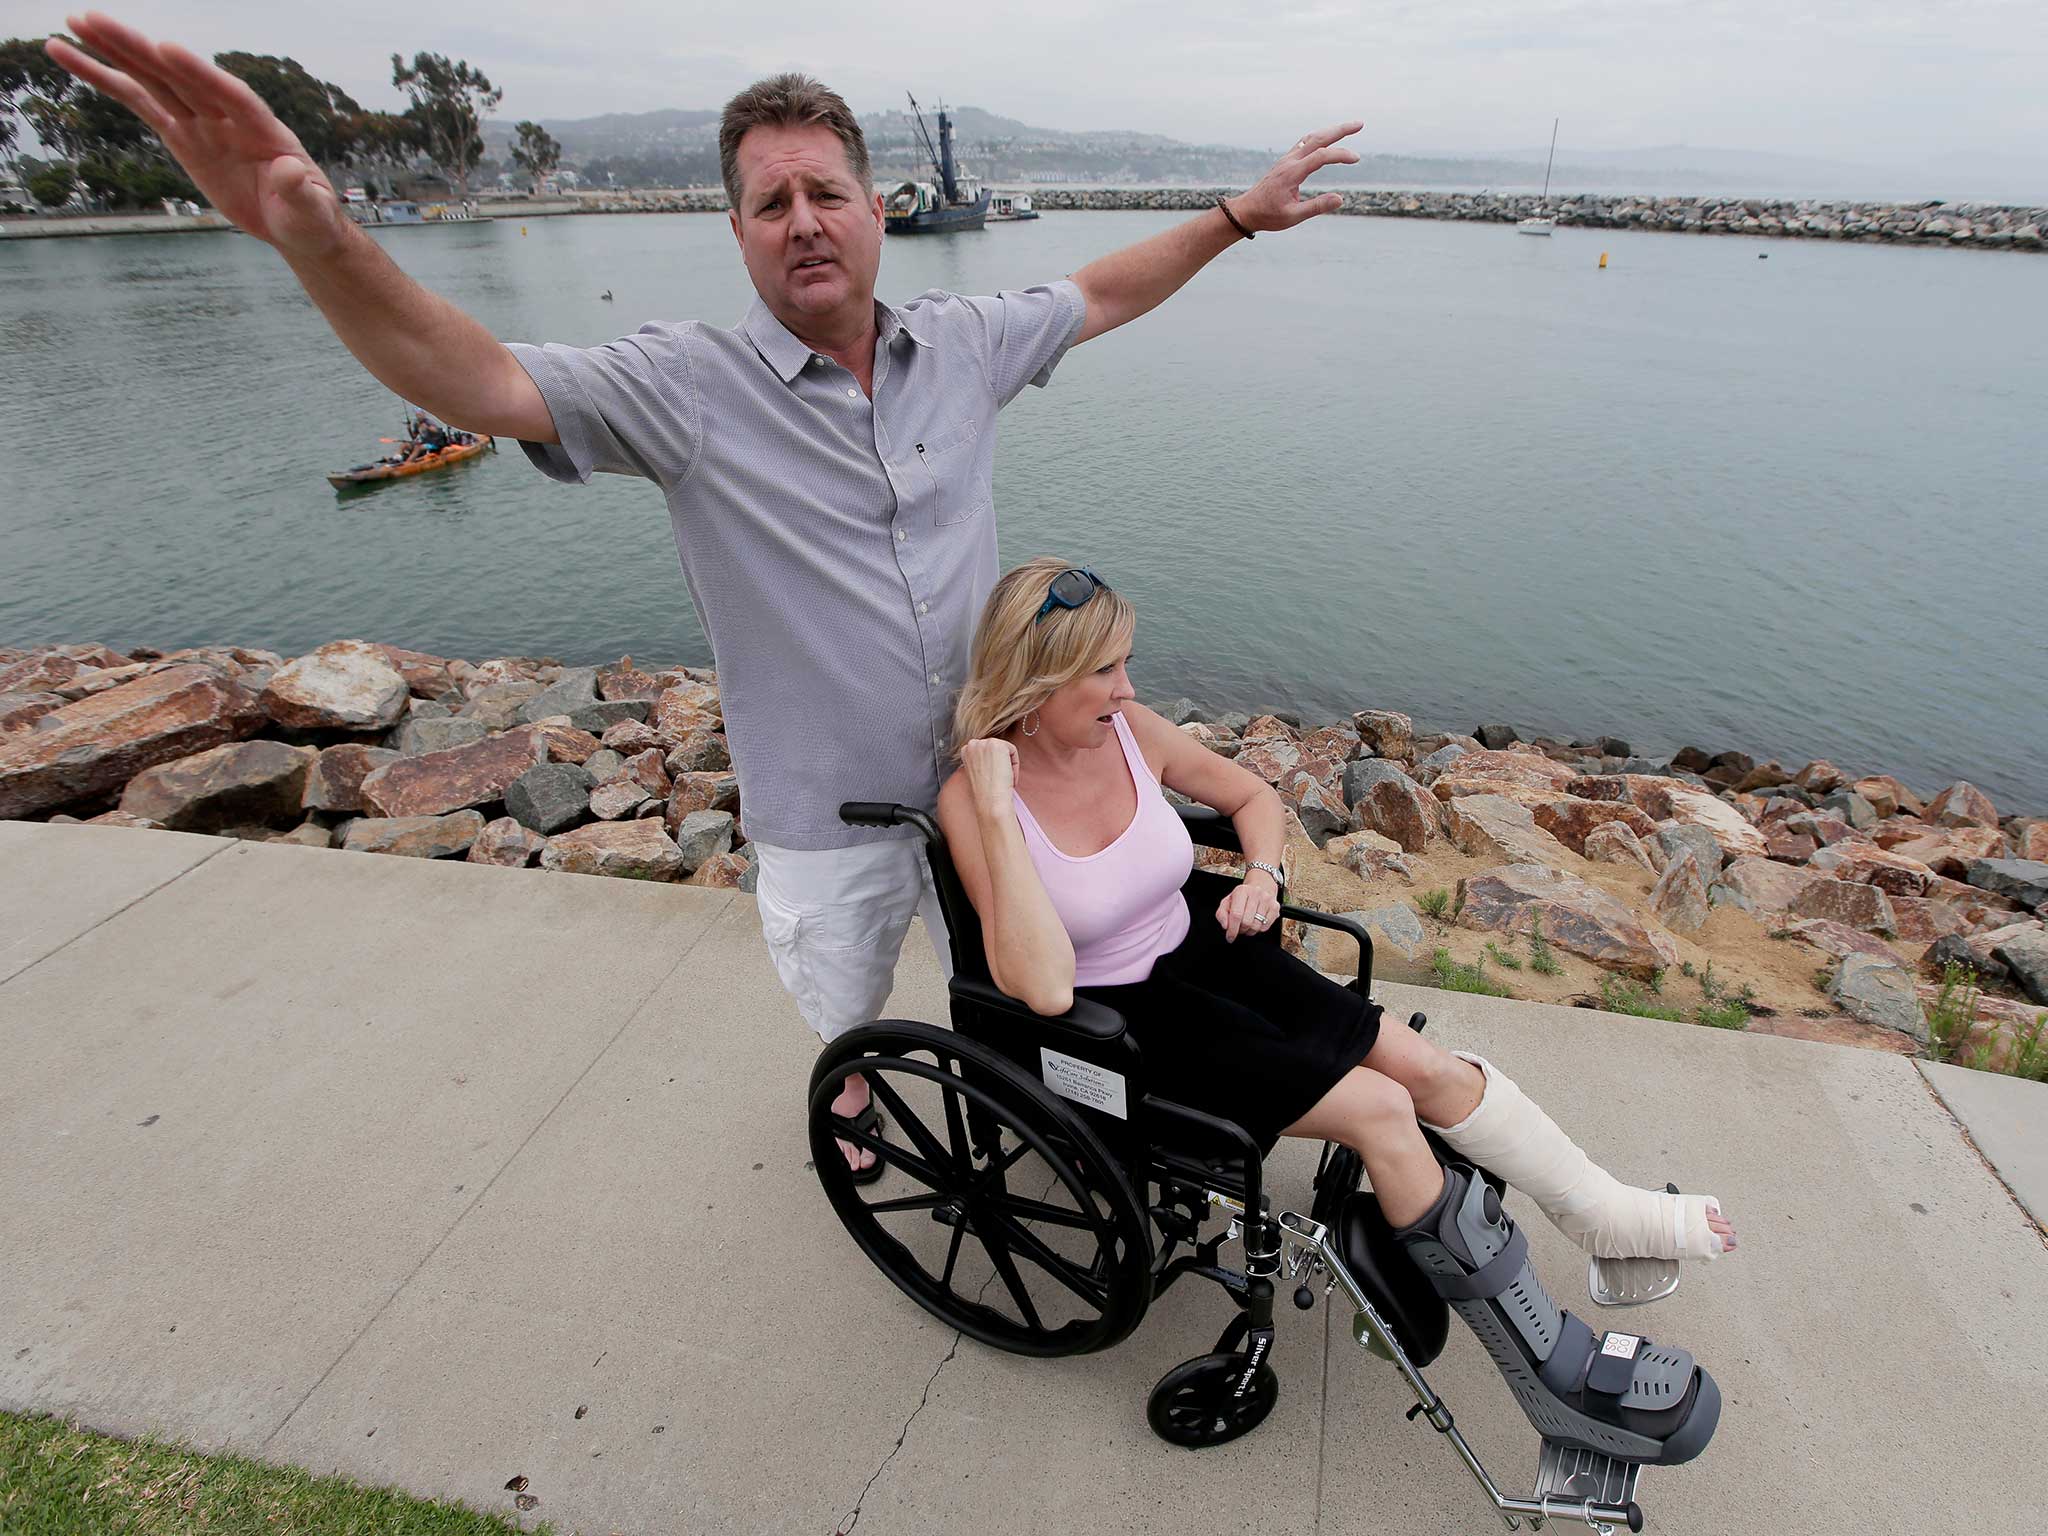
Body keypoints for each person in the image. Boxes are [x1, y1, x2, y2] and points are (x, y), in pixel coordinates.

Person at [47, 14, 1362, 1179]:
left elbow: (1099, 292)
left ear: (874, 209)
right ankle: (853, 1099)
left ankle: (1031, 1118)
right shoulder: (684, 389)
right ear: (736, 230)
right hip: (831, 814)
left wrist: (1238, 217)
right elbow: (479, 382)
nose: (803, 218)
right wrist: (320, 243)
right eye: (771, 200)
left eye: (826, 191)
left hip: (998, 787)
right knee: (850, 1013)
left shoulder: (960, 348)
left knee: (1012, 1002)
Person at [937, 557, 1739, 1267]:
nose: (1130, 688)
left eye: (1128, 664)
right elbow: (1039, 988)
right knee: (1384, 1109)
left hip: (1207, 953)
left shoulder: (1131, 732)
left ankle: (1597, 1212)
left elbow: (1253, 794)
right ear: (1036, 682)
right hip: (1118, 1025)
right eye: (1106, 672)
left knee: (1428, 1068)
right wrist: (998, 809)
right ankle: (1534, 1349)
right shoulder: (976, 805)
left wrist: (1260, 877)